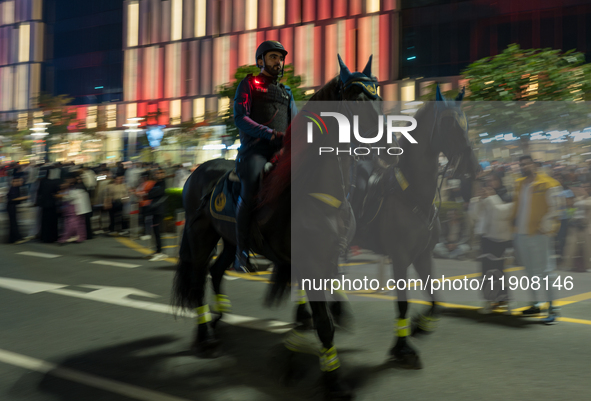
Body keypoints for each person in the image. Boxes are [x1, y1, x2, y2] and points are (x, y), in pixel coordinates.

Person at [233, 40, 297, 271]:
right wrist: (269, 133)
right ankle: (240, 253)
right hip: (255, 151)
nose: (278, 62)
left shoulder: (287, 92)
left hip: (282, 152)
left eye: (280, 58)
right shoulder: (248, 84)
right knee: (251, 185)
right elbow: (240, 118)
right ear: (260, 60)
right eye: (273, 57)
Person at [511, 155, 563, 322]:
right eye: (521, 164)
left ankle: (553, 308)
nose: (523, 166)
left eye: (526, 163)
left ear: (534, 165)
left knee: (546, 271)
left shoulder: (548, 183)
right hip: (521, 234)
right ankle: (535, 304)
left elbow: (557, 209)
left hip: (540, 235)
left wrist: (546, 228)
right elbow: (517, 207)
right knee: (529, 272)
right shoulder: (520, 183)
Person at [469, 172, 513, 313]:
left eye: (493, 179)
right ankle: (489, 301)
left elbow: (501, 213)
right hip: (485, 237)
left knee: (498, 271)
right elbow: (474, 216)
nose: (490, 183)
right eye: (488, 181)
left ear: (500, 181)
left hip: (500, 239)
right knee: (485, 271)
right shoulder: (487, 197)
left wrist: (491, 197)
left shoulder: (506, 196)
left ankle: (502, 300)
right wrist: (478, 200)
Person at [146, 168, 167, 261]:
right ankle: (157, 250)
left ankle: (160, 252)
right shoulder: (156, 184)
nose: (158, 174)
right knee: (155, 232)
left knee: (158, 232)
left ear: (163, 174)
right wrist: (152, 194)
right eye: (156, 173)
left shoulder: (163, 183)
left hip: (159, 210)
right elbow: (150, 194)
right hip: (154, 210)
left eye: (160, 173)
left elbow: (157, 193)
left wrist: (152, 194)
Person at [6, 176, 28, 244]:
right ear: (14, 182)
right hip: (11, 207)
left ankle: (12, 239)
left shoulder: (16, 188)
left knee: (13, 223)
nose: (20, 182)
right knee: (13, 223)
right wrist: (23, 198)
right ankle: (17, 237)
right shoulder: (13, 188)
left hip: (13, 206)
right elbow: (13, 199)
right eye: (19, 181)